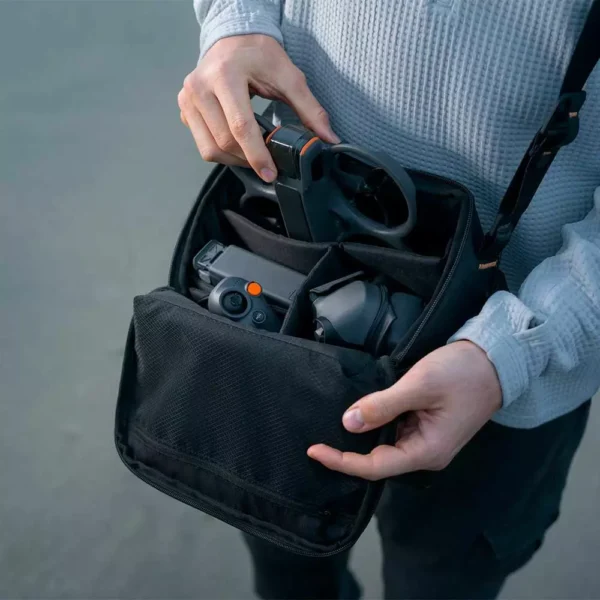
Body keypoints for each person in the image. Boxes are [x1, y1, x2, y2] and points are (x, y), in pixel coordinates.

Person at [178, 1, 600, 598]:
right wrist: (235, 24)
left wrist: (514, 353)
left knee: (439, 580)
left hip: (510, 371)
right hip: (286, 291)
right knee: (286, 560)